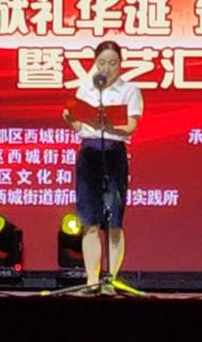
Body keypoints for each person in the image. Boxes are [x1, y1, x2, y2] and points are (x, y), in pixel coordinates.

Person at [61, 40, 143, 287]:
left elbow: (131, 126)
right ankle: (92, 281)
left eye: (113, 63)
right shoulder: (85, 88)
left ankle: (112, 280)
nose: (107, 68)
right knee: (90, 221)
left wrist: (110, 125)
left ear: (121, 64)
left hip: (114, 152)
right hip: (89, 153)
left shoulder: (130, 90)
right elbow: (79, 127)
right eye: (102, 62)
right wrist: (70, 119)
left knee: (114, 220)